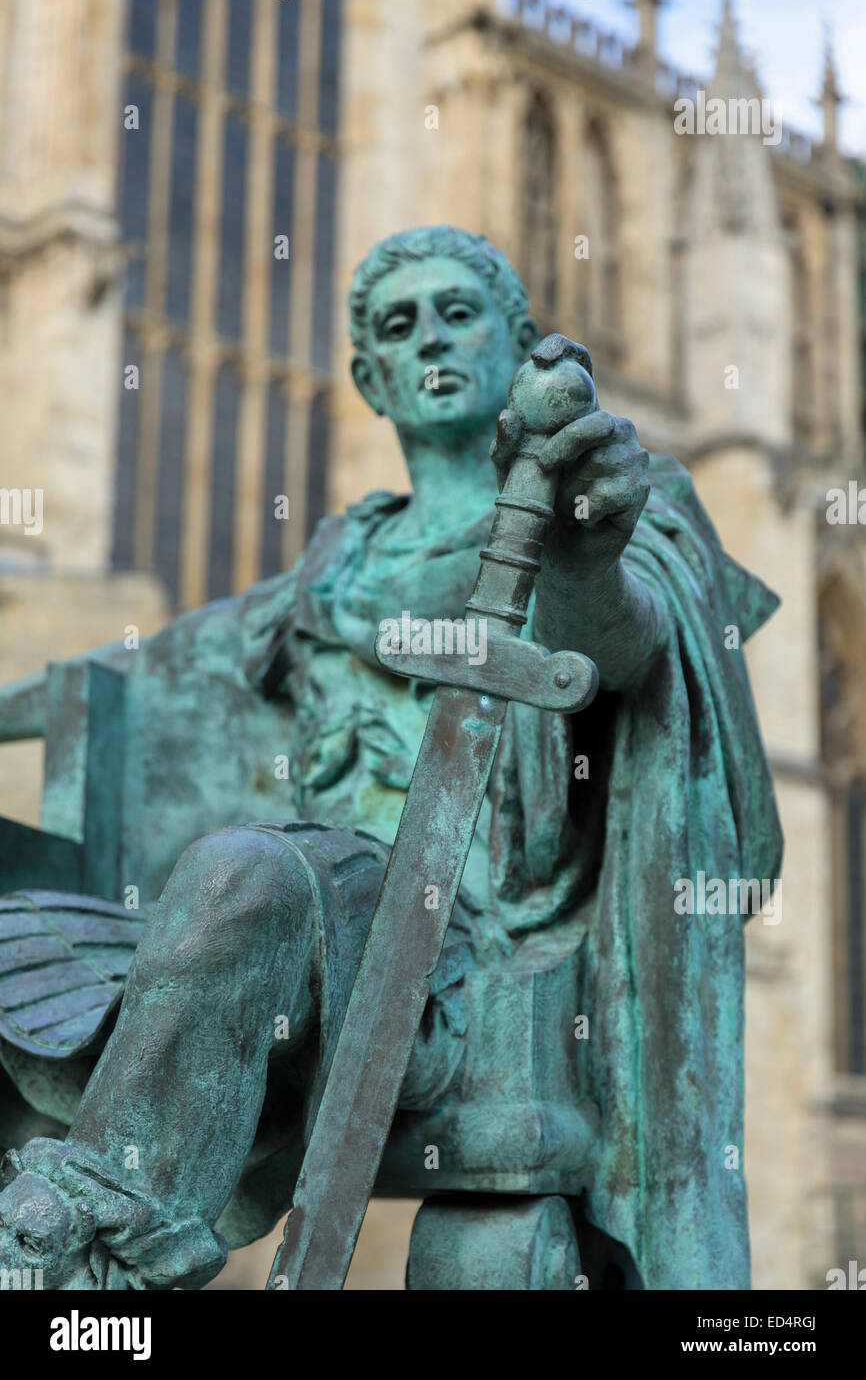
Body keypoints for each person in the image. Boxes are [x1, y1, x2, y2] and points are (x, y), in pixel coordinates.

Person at [0, 225, 782, 1289]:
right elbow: (154, 661)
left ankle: (93, 1247)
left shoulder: (592, 495)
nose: (430, 342)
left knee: (252, 869)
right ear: (369, 377)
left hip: (472, 939)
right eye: (397, 327)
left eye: (458, 314)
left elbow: (621, 642)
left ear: (514, 344)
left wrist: (583, 556)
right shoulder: (336, 559)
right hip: (310, 932)